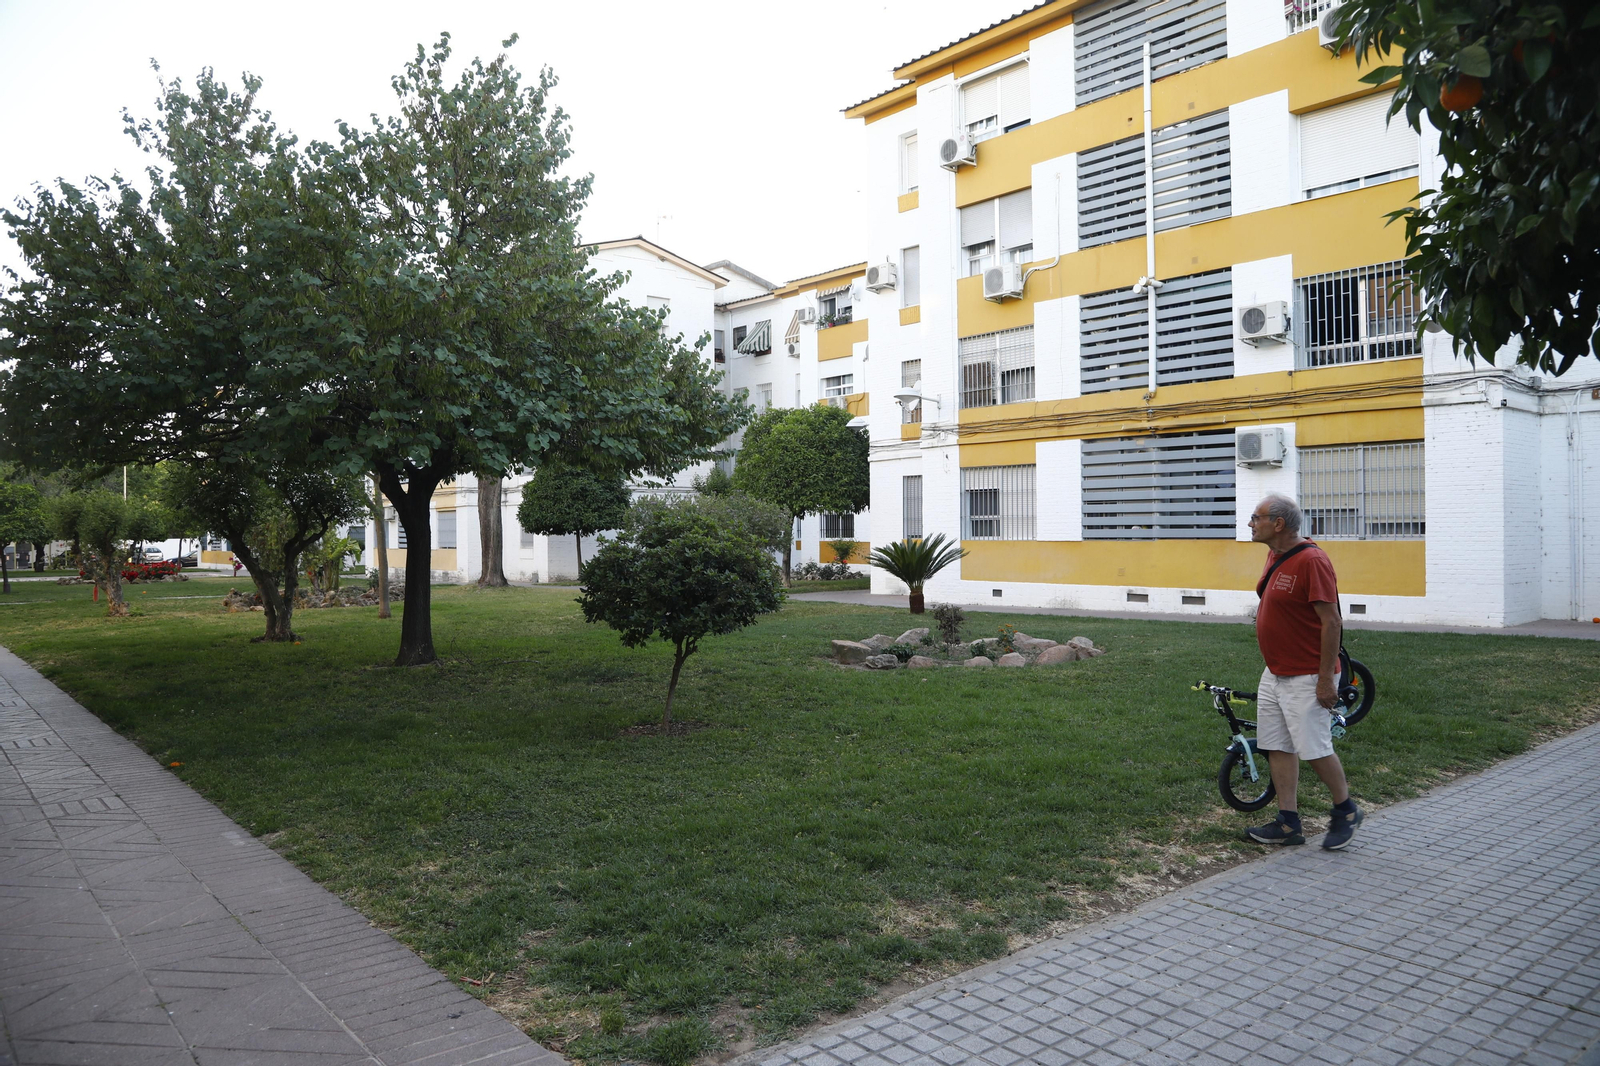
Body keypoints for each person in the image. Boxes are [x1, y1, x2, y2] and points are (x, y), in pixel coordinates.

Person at [1245, 493, 1363, 850]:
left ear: (1278, 524)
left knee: (1313, 748)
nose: (1250, 523)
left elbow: (1331, 621)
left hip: (1307, 675)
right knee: (1276, 745)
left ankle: (1345, 810)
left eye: (1256, 517)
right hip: (1275, 671)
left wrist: (1326, 679)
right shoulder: (1274, 554)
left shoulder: (1312, 561)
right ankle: (1288, 823)